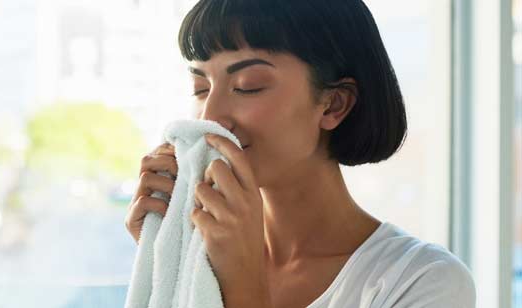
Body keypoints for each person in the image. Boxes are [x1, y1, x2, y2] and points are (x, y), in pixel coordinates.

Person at [125, 0, 476, 307]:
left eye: (248, 87)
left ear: (333, 104)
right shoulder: (196, 258)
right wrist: (166, 253)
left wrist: (243, 288)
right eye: (201, 88)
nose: (211, 116)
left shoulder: (423, 280)